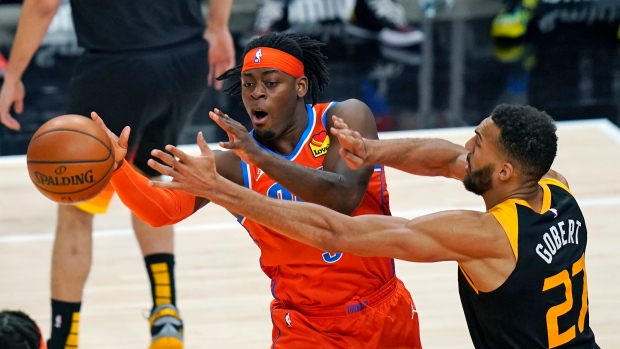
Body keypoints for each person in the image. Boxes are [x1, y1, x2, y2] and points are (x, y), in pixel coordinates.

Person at [140, 103, 599, 348]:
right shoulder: (556, 190)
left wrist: (226, 192)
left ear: (503, 174)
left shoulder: (485, 236)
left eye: (479, 143)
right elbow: (446, 160)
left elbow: (336, 233)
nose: (467, 146)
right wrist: (373, 152)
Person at [95, 32, 423, 348]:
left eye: (271, 82)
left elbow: (343, 198)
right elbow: (161, 209)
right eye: (248, 84)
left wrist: (260, 156)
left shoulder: (344, 118)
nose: (256, 92)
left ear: (300, 86)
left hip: (384, 312)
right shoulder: (235, 165)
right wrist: (116, 168)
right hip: (307, 327)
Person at [0, 0, 235, 348]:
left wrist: (13, 76)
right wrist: (218, 26)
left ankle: (65, 337)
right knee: (153, 181)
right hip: (185, 58)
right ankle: (166, 315)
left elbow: (44, 5)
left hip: (117, 64)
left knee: (75, 204)